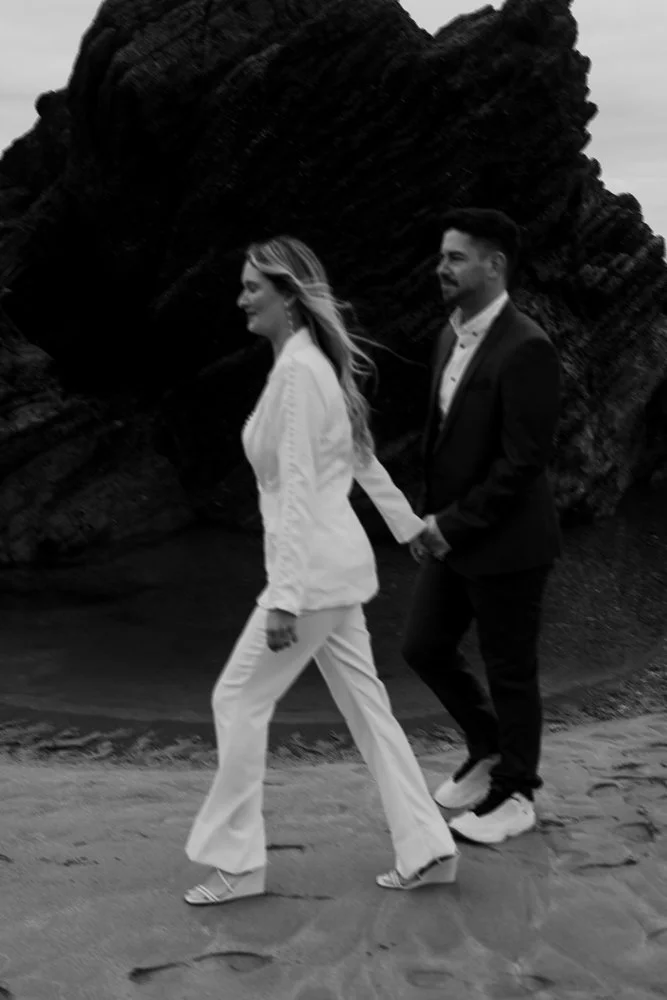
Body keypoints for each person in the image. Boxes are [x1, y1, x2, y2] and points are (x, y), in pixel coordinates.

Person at [184, 235, 458, 905]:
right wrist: (407, 526)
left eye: (253, 286)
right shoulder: (307, 366)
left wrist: (283, 594)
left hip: (310, 579)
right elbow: (360, 456)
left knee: (237, 699)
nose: (242, 296)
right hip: (336, 575)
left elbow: (303, 484)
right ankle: (427, 846)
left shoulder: (301, 373)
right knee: (368, 710)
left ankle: (240, 864)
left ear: (287, 295)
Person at [404, 208, 561, 846]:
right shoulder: (449, 335)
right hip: (453, 535)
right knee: (423, 646)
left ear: (494, 266)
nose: (442, 268)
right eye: (442, 257)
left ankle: (517, 793)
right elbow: (441, 441)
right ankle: (489, 745)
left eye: (456, 258)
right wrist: (428, 520)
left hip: (510, 544)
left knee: (510, 669)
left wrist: (453, 526)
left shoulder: (528, 347)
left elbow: (523, 463)